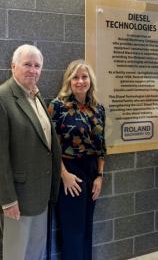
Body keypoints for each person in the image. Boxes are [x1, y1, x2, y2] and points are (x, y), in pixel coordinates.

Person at [0, 44, 61, 260]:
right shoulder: (4, 98)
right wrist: (7, 200)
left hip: (40, 194)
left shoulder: (34, 95)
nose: (33, 70)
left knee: (36, 250)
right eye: (27, 64)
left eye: (37, 66)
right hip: (18, 198)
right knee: (16, 253)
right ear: (13, 66)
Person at [48, 59, 106, 260]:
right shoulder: (57, 107)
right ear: (69, 80)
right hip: (69, 170)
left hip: (91, 170)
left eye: (84, 76)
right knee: (72, 230)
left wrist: (99, 176)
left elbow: (101, 146)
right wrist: (64, 174)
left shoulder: (98, 108)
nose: (80, 81)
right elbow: (52, 147)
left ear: (90, 80)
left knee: (86, 226)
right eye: (76, 77)